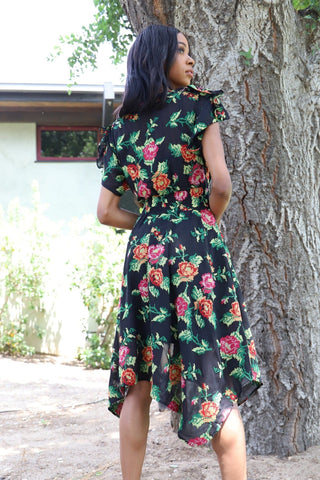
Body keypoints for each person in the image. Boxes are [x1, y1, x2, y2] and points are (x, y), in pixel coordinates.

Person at [96, 24, 262, 480]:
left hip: (145, 252)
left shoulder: (122, 127)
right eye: (182, 51)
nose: (191, 60)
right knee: (211, 371)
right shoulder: (198, 106)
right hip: (194, 243)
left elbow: (107, 211)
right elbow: (222, 185)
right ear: (157, 58)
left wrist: (152, 222)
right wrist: (199, 224)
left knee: (139, 380)